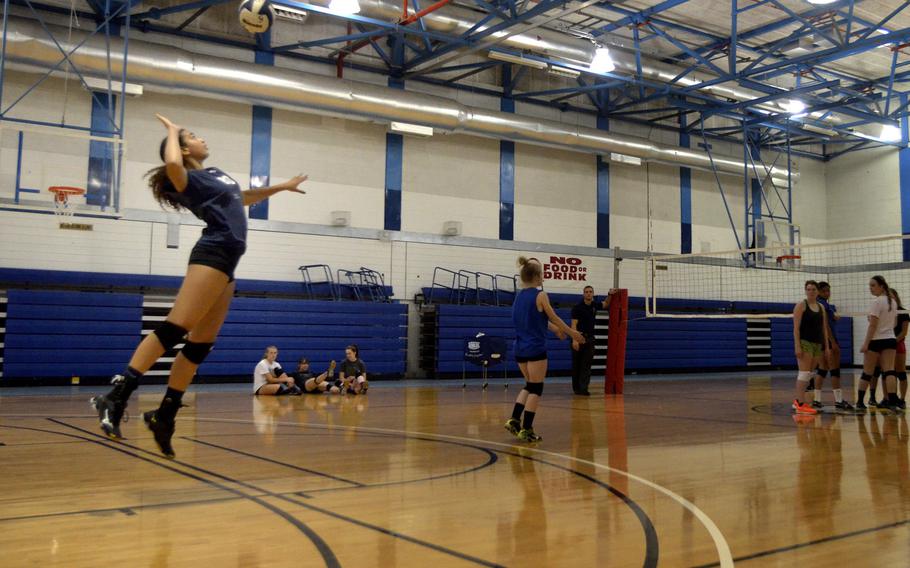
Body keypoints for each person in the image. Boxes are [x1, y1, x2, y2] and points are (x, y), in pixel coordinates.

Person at [90, 114, 308, 458]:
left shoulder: (213, 175)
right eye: (193, 136)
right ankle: (115, 396)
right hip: (212, 252)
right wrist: (173, 132)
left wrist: (279, 187)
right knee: (175, 327)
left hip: (228, 261)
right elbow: (174, 168)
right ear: (182, 149)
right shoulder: (185, 176)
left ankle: (165, 414)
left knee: (200, 345)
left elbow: (242, 197)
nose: (201, 138)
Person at [504, 257, 585, 442]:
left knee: (529, 385)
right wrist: (573, 333)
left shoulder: (519, 296)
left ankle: (514, 420)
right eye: (542, 274)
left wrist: (555, 329)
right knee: (536, 389)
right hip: (535, 348)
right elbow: (554, 317)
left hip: (520, 349)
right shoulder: (540, 295)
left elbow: (538, 319)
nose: (544, 277)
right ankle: (527, 429)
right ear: (536, 276)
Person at [856, 275, 901, 412]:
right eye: (870, 285)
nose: (870, 288)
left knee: (867, 372)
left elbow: (872, 326)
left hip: (876, 340)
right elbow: (894, 323)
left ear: (882, 286)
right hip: (890, 339)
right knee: (889, 371)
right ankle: (892, 402)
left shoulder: (876, 302)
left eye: (873, 285)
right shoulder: (893, 302)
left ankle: (859, 402)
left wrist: (865, 344)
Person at [792, 280, 830, 415]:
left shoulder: (821, 307)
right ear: (805, 291)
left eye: (813, 289)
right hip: (805, 342)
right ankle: (800, 403)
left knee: (809, 374)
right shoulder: (801, 306)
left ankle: (798, 400)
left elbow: (824, 328)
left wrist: (826, 346)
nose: (811, 292)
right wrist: (797, 346)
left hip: (817, 343)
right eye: (808, 289)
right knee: (804, 373)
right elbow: (796, 329)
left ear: (817, 291)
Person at [570, 285, 616, 396]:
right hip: (579, 338)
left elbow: (606, 304)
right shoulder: (577, 307)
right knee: (577, 365)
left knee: (586, 365)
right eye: (586, 292)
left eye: (590, 292)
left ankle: (583, 389)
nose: (588, 293)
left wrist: (609, 294)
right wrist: (574, 340)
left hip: (590, 339)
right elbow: (573, 324)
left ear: (593, 294)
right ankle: (576, 389)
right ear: (583, 294)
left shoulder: (594, 305)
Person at [813, 282, 853, 410]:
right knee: (835, 369)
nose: (827, 293)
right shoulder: (823, 304)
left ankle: (816, 399)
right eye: (824, 291)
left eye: (828, 291)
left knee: (822, 369)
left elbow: (827, 320)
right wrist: (833, 342)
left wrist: (834, 318)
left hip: (818, 340)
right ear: (818, 291)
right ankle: (839, 400)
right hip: (828, 340)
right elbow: (826, 325)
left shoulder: (817, 305)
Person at [891, 289, 909, 409]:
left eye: (892, 297)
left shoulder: (903, 312)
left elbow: (904, 332)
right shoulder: (885, 312)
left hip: (897, 344)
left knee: (901, 373)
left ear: (896, 297)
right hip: (885, 346)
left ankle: (902, 399)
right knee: (888, 373)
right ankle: (890, 398)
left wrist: (893, 341)